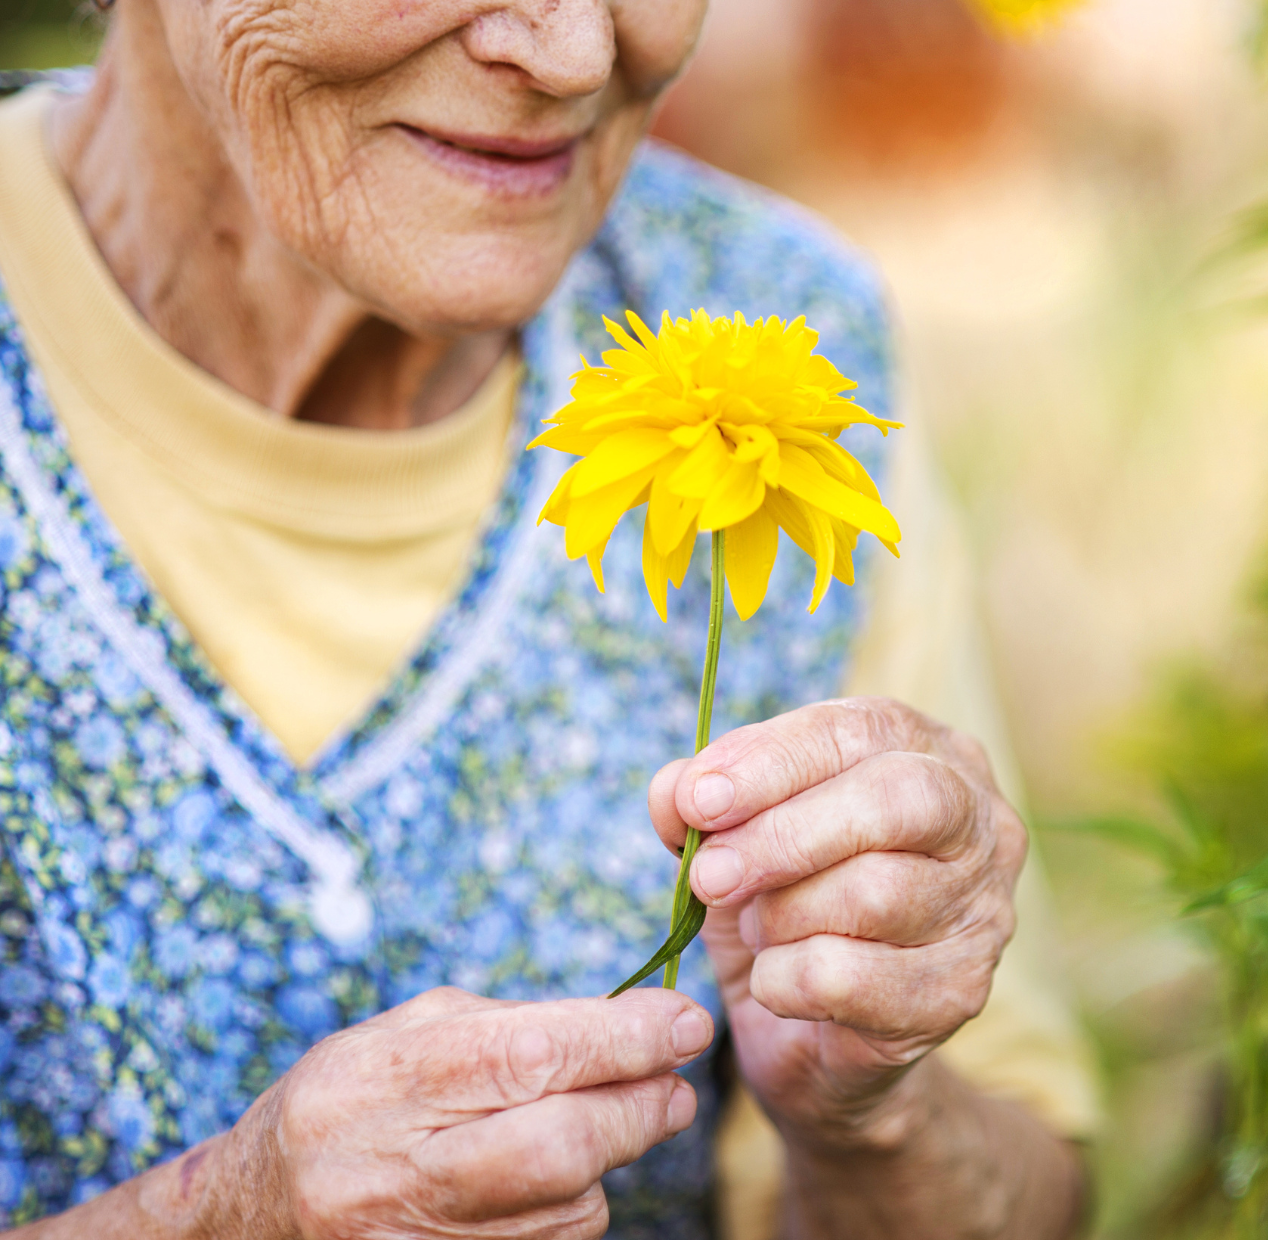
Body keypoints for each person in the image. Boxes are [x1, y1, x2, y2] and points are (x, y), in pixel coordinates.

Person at [0, 1, 1099, 1237]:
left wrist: (876, 1116)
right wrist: (213, 1220)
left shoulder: (783, 334)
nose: (576, 51)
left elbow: (1032, 1189)